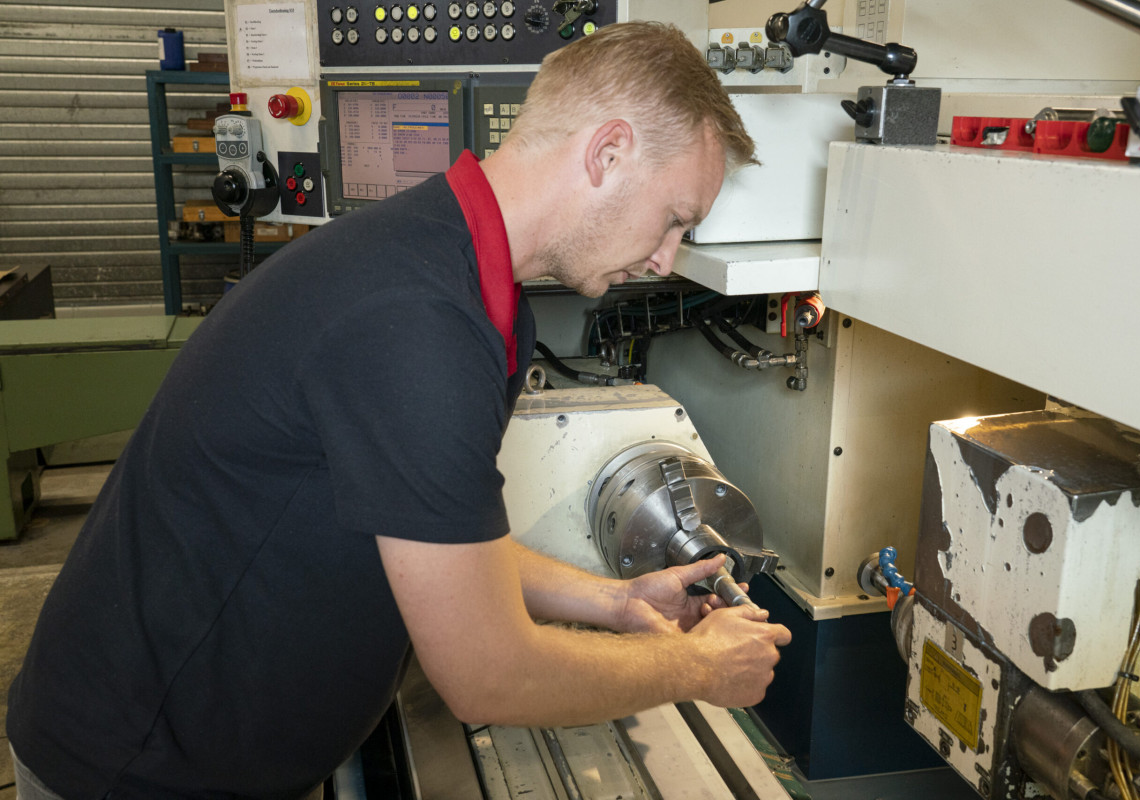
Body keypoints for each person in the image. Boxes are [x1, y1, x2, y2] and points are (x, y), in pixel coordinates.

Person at [6, 20, 791, 799]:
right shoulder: (415, 322)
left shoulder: (461, 282)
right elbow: (489, 676)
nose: (665, 257)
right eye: (676, 218)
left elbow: (435, 543)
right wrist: (698, 667)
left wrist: (616, 602)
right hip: (137, 771)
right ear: (608, 151)